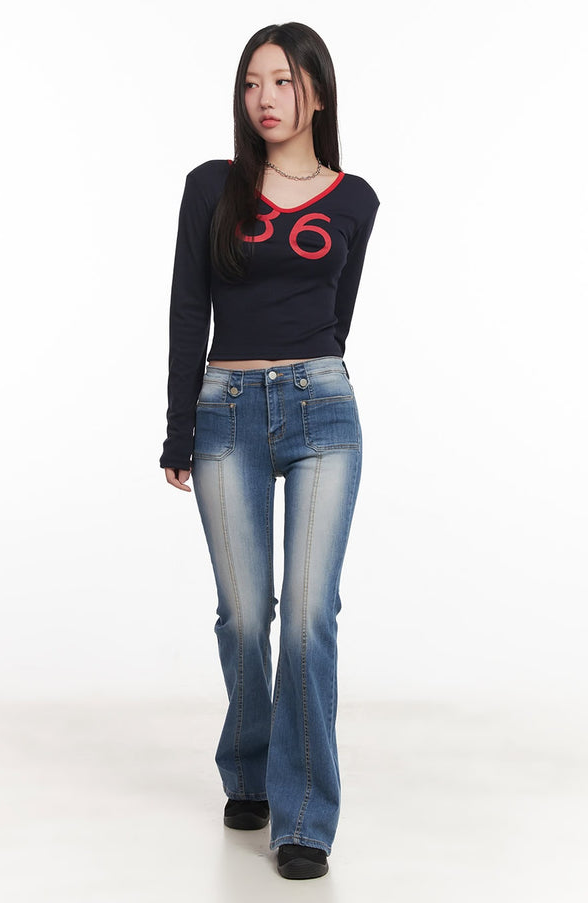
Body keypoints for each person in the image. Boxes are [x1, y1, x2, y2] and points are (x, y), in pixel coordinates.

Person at [159, 22, 379, 880]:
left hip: (324, 410)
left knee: (311, 614)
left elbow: (337, 316)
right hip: (227, 410)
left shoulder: (354, 200)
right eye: (252, 82)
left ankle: (304, 818)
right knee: (247, 615)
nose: (264, 98)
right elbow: (188, 309)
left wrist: (306, 374)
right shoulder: (211, 187)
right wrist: (180, 427)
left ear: (316, 92)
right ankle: (248, 769)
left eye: (282, 81)